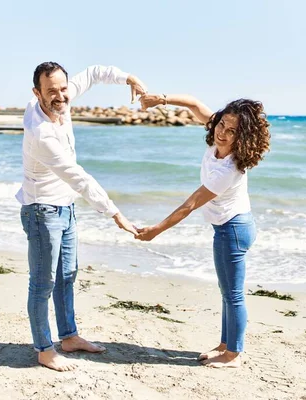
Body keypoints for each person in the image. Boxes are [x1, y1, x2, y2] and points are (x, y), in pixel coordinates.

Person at [16, 62, 146, 372]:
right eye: (51, 92)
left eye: (63, 89)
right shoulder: (41, 132)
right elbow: (78, 177)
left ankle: (69, 337)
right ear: (37, 93)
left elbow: (92, 74)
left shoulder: (62, 95)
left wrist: (128, 77)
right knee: (42, 283)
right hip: (42, 211)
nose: (61, 96)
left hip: (66, 207)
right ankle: (44, 350)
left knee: (67, 275)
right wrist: (114, 212)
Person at [135, 93, 270, 368]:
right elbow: (193, 104)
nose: (222, 133)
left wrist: (156, 231)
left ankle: (233, 354)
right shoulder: (217, 128)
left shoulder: (229, 169)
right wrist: (159, 99)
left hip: (233, 229)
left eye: (232, 131)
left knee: (233, 294)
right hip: (227, 227)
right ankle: (225, 345)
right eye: (222, 125)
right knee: (226, 291)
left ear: (241, 137)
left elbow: (190, 205)